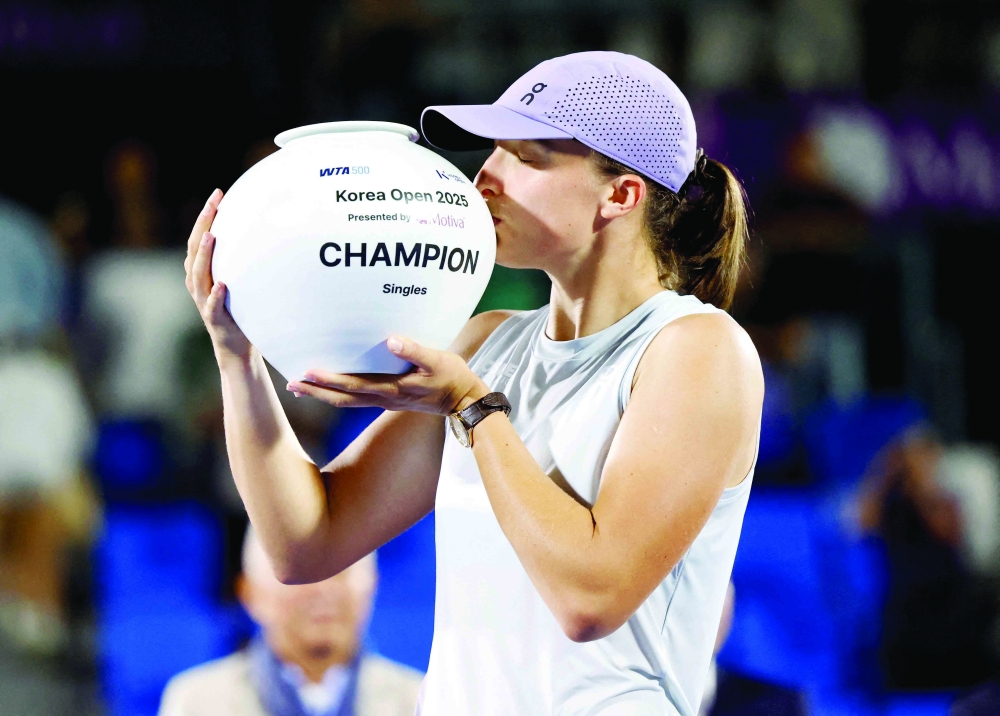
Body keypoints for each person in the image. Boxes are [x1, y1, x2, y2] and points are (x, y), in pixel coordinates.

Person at [184, 51, 764, 714]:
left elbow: (590, 598)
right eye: (492, 152)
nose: (484, 177)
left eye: (526, 155)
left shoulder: (697, 349)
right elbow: (306, 543)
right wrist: (238, 358)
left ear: (620, 194)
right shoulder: (488, 341)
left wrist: (473, 407)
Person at [159, 526, 422, 716]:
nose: (323, 589)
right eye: (303, 574)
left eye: (342, 571)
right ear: (249, 593)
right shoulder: (198, 702)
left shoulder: (421, 700)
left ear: (372, 586)